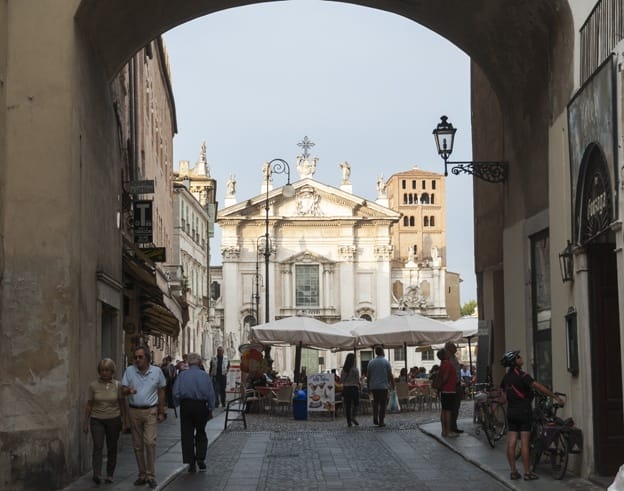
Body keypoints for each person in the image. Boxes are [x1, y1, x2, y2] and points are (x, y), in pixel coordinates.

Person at [500, 350, 564, 481]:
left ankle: (513, 471)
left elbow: (504, 395)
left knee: (511, 442)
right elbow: (538, 387)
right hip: (524, 412)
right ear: (514, 362)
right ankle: (527, 473)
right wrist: (555, 397)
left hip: (511, 412)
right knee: (524, 442)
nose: (521, 358)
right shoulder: (523, 376)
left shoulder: (506, 378)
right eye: (518, 357)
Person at [122, 346, 167, 489]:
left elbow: (161, 391)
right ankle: (142, 475)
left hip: (150, 411)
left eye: (140, 357)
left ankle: (151, 475)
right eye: (135, 357)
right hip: (134, 411)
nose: (137, 360)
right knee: (137, 445)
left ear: (147, 358)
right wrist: (128, 390)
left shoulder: (157, 371)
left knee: (149, 442)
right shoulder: (129, 371)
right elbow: (122, 390)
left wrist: (161, 411)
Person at [83, 358, 126, 484]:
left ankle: (110, 474)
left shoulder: (118, 385)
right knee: (98, 446)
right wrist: (85, 422)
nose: (104, 373)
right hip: (97, 420)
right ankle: (97, 473)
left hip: (114, 419)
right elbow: (89, 405)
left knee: (112, 447)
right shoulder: (93, 385)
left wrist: (124, 421)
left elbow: (122, 403)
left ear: (112, 371)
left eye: (107, 370)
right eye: (102, 370)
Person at [172, 352, 216, 473]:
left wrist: (176, 404)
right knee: (201, 432)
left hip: (186, 405)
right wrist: (211, 409)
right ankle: (200, 458)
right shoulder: (205, 376)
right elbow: (211, 394)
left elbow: (175, 392)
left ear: (188, 363)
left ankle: (190, 462)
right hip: (201, 406)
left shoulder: (182, 375)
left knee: (187, 434)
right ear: (200, 363)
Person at [366, 346, 394, 427]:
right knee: (383, 404)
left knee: (375, 402)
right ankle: (381, 421)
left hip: (374, 386)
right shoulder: (386, 362)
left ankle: (375, 417)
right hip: (383, 386)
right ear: (382, 351)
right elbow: (390, 375)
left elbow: (368, 376)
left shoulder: (371, 362)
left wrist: (368, 386)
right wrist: (393, 384)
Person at [436, 348, 458, 438]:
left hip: (444, 391)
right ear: (444, 355)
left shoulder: (442, 365)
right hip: (449, 390)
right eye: (447, 352)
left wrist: (440, 388)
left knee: (444, 410)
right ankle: (448, 431)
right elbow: (445, 378)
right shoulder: (448, 364)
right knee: (448, 411)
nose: (448, 353)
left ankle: (444, 431)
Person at [444, 341, 463, 433]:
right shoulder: (448, 359)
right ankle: (450, 428)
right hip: (452, 387)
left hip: (456, 385)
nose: (456, 348)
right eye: (454, 347)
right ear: (449, 348)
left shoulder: (453, 358)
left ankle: (453, 426)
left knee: (455, 408)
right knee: (452, 408)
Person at [340, 353, 360, 427]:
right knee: (356, 404)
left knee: (348, 406)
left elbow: (341, 380)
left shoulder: (344, 370)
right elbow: (357, 380)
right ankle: (353, 416)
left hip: (346, 389)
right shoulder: (355, 369)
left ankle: (349, 422)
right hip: (354, 388)